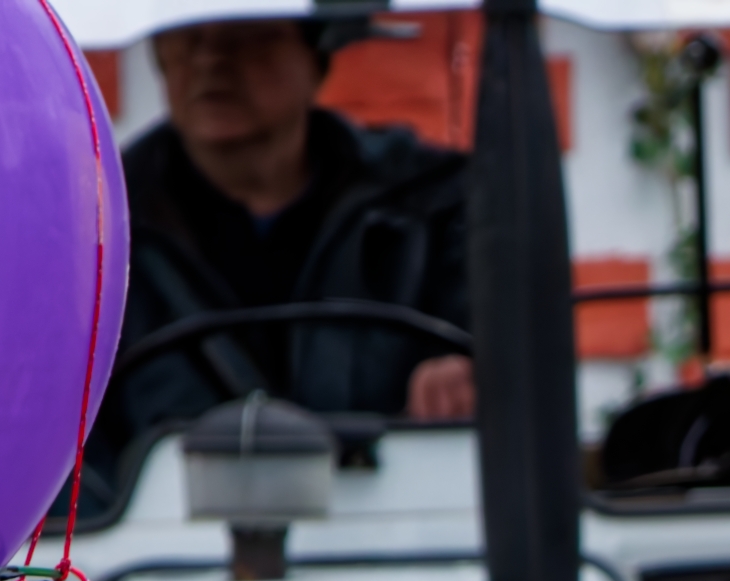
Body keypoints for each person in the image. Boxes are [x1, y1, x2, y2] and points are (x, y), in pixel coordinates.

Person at [86, 8, 475, 502]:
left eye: (247, 37)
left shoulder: (432, 205)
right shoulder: (95, 229)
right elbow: (62, 442)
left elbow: (499, 363)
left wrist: (462, 369)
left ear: (317, 58)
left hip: (391, 536)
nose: (211, 61)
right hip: (160, 557)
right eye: (187, 40)